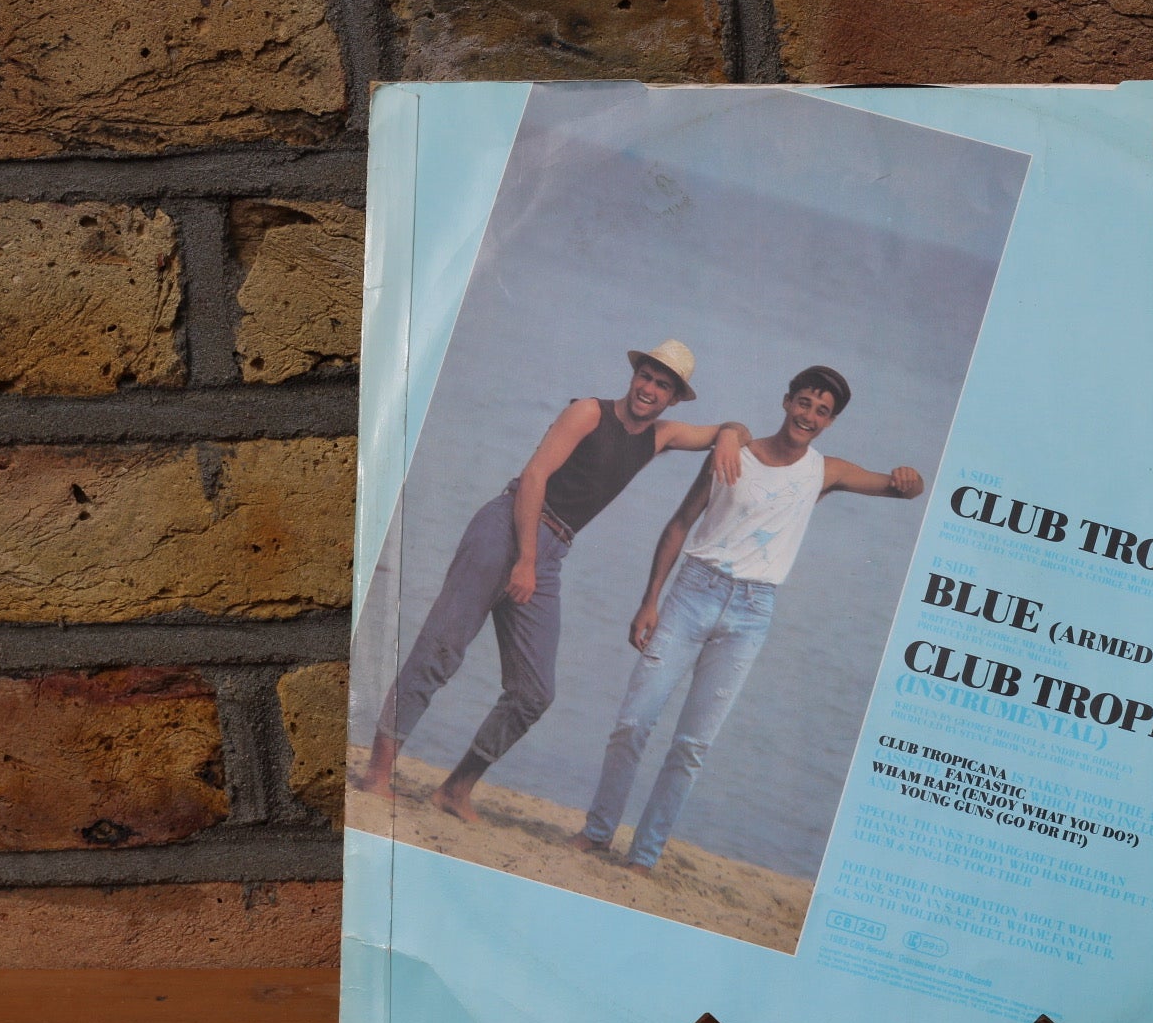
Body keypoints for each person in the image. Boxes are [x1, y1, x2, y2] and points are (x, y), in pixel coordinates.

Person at [356, 340, 749, 823]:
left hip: (553, 551)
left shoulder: (661, 436)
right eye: (646, 376)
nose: (649, 389)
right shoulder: (589, 412)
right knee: (441, 650)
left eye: (662, 385)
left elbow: (737, 430)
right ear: (634, 376)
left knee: (534, 692)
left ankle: (455, 790)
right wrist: (525, 558)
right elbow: (535, 475)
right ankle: (376, 775)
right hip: (508, 528)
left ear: (674, 399)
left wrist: (727, 437)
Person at [573, 365, 924, 871]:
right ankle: (598, 831)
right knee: (633, 722)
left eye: (822, 411)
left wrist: (911, 479)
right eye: (804, 403)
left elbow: (899, 489)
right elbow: (679, 524)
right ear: (786, 401)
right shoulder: (733, 451)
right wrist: (650, 600)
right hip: (691, 594)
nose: (809, 416)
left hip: (751, 614)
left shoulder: (825, 472)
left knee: (692, 746)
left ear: (830, 422)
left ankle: (644, 856)